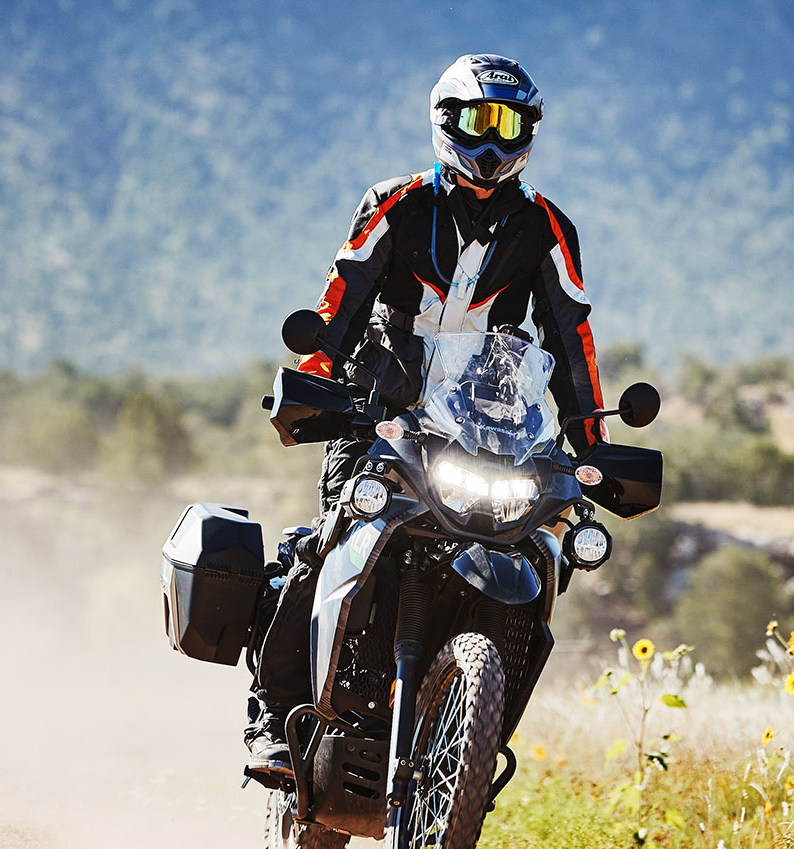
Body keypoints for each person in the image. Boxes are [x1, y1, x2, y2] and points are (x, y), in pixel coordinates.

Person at [245, 52, 608, 776]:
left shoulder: (546, 227)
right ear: (447, 120)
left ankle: (464, 741)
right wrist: (317, 383)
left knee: (534, 552)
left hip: (487, 437)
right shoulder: (398, 202)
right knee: (322, 548)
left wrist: (593, 441)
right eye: (478, 120)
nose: (492, 140)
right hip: (379, 421)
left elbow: (572, 338)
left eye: (508, 123)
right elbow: (342, 298)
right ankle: (272, 719)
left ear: (528, 132)